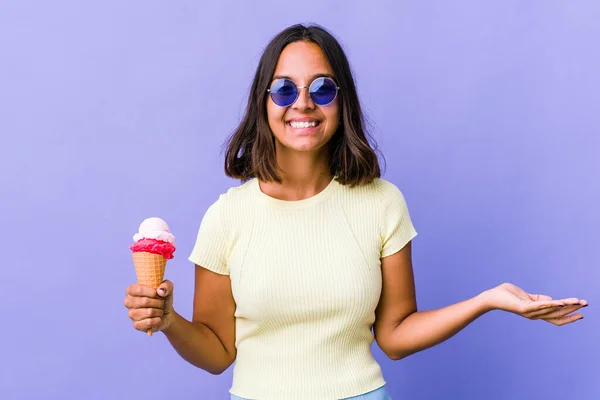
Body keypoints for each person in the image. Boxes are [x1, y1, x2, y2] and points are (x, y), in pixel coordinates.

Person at [123, 24, 588, 400]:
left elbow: (396, 334)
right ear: (263, 103)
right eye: (284, 90)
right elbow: (219, 351)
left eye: (321, 88)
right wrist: (168, 321)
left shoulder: (382, 202)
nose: (302, 102)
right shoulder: (226, 217)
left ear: (342, 102)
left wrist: (487, 299)